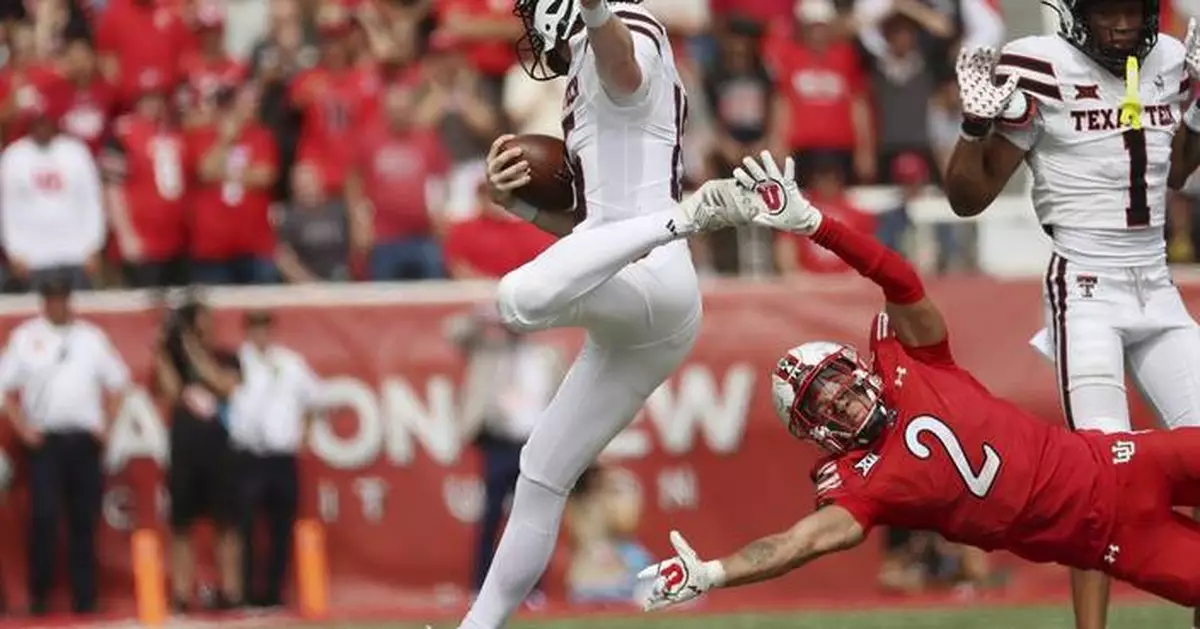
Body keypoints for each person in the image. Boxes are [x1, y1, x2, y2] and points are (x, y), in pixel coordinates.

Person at [634, 152, 1200, 612]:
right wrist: (715, 572)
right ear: (815, 431)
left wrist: (817, 225)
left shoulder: (913, 365)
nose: (839, 400)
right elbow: (798, 542)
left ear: (854, 366)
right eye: (820, 403)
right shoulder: (858, 485)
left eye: (833, 381)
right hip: (1111, 543)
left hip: (1126, 463)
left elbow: (900, 280)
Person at [456, 0, 753, 625]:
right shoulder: (578, 74)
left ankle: (688, 216)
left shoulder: (623, 27)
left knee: (516, 297)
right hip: (636, 297)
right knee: (540, 471)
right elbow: (592, 226)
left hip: (656, 277)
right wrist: (520, 207)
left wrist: (593, 7)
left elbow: (626, 71)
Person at [943, 2, 1200, 627]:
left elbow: (1180, 169)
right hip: (1085, 286)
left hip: (1157, 285)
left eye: (1133, 11)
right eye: (1107, 12)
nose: (1121, 25)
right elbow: (967, 199)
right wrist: (975, 127)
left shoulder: (1168, 58)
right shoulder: (1040, 65)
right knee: (1100, 476)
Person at [0, 274, 130, 615]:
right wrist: (23, 428)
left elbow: (118, 383)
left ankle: (85, 597)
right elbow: (5, 388)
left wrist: (107, 424)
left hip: (83, 440)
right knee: (43, 517)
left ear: (69, 299)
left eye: (61, 297)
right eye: (50, 297)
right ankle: (40, 595)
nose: (56, 303)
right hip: (46, 442)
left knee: (83, 520)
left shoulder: (91, 338)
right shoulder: (27, 338)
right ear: (44, 301)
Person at [153, 298, 244, 611]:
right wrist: (163, 351)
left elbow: (223, 384)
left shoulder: (226, 357)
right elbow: (171, 392)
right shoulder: (176, 360)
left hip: (219, 450)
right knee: (181, 525)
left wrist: (193, 351)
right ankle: (181, 594)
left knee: (226, 523)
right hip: (184, 451)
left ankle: (231, 591)